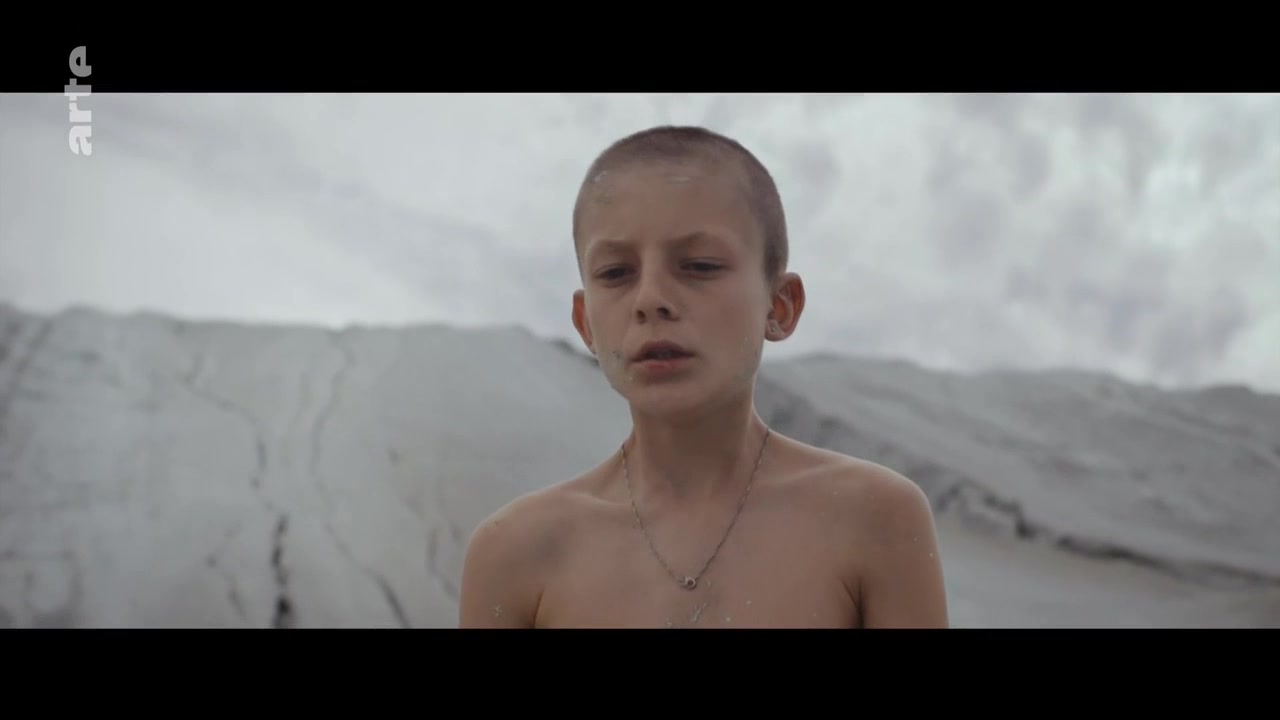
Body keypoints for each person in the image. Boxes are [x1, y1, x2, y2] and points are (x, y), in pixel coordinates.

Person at [458, 125, 949, 628]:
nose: (650, 299)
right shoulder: (516, 553)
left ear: (779, 306)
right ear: (586, 324)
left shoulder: (872, 519)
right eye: (615, 273)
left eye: (700, 265)